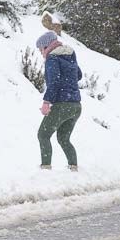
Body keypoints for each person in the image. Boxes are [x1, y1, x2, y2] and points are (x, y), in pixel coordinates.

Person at [36, 30, 81, 171]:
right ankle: (73, 167)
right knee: (63, 138)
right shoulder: (69, 55)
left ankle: (45, 168)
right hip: (76, 106)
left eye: (40, 49)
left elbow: (54, 82)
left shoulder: (52, 58)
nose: (40, 52)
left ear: (46, 46)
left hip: (62, 105)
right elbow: (78, 75)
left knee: (43, 134)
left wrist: (46, 102)